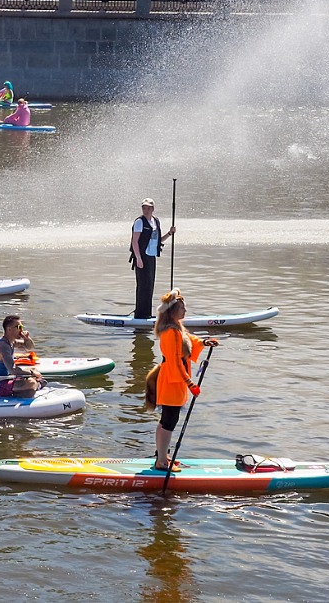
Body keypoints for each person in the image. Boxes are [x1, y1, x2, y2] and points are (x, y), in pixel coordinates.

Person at [151, 289, 219, 472]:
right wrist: (190, 383)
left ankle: (162, 455)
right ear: (173, 311)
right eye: (182, 308)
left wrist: (204, 342)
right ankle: (161, 462)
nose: (185, 311)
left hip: (173, 378)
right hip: (172, 379)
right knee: (169, 420)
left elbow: (189, 340)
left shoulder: (176, 328)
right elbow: (175, 361)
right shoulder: (171, 332)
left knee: (167, 419)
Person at [129, 197, 175, 319]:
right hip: (141, 256)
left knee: (149, 285)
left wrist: (170, 233)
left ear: (153, 209)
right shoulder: (139, 222)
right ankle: (140, 315)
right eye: (144, 208)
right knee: (143, 286)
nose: (146, 210)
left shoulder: (156, 221)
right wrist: (138, 258)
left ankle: (147, 314)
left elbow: (158, 241)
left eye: (148, 208)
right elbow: (134, 241)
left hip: (151, 256)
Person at [0, 315, 46, 398]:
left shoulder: (11, 342)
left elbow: (30, 347)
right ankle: (35, 386)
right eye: (19, 327)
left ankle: (34, 386)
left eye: (22, 327)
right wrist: (32, 374)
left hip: (5, 379)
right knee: (31, 383)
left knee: (33, 370)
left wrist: (26, 338)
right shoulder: (3, 346)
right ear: (9, 329)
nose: (21, 330)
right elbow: (13, 370)